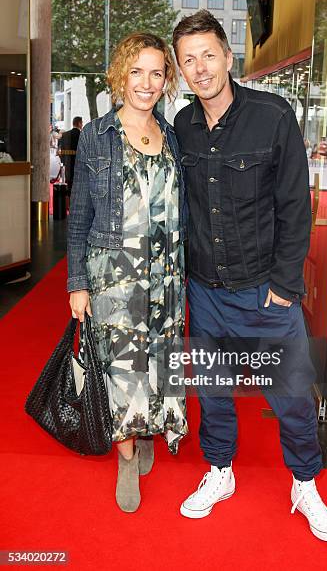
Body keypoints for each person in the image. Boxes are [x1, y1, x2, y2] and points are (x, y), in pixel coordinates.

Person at [172, 10, 327, 542]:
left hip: (265, 290)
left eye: (208, 55)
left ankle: (305, 483)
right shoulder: (182, 126)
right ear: (182, 71)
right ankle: (220, 471)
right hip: (205, 287)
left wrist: (285, 284)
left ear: (228, 56)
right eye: (188, 60)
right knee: (216, 392)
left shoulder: (273, 116)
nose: (200, 68)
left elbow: (296, 205)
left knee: (290, 393)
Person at [67, 32, 188, 513]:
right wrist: (77, 283)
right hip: (114, 273)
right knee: (121, 368)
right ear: (120, 74)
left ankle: (150, 424)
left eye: (156, 72)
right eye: (136, 71)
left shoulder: (173, 135)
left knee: (158, 360)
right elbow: (78, 219)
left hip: (166, 275)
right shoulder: (97, 136)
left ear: (166, 79)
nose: (146, 82)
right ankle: (126, 454)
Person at [59, 117, 83, 195]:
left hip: (68, 164)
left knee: (69, 184)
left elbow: (61, 151)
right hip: (79, 165)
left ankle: (68, 202)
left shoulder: (65, 135)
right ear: (79, 123)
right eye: (81, 123)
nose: (82, 125)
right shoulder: (82, 135)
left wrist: (63, 162)